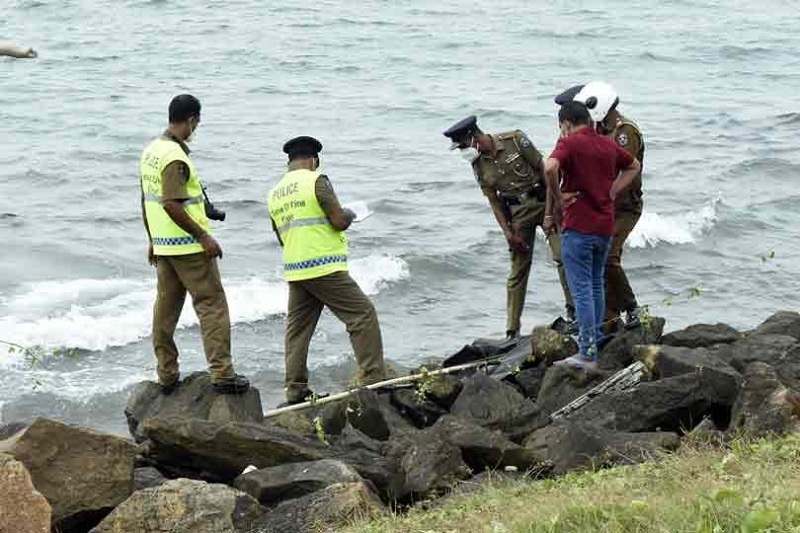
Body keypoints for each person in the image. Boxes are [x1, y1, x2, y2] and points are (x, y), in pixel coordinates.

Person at [140, 94, 250, 395]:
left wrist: (151, 239)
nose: (195, 128)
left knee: (165, 312)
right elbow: (171, 205)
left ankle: (166, 374)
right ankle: (223, 374)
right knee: (212, 306)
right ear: (191, 119)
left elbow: (145, 200)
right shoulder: (175, 158)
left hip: (164, 248)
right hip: (188, 248)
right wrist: (204, 237)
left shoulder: (151, 150)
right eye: (196, 122)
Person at [268, 136, 386, 406]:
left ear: (290, 162)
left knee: (297, 330)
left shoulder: (274, 193)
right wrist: (351, 214)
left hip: (296, 268)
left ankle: (295, 388)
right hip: (324, 265)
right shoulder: (316, 180)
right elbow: (338, 221)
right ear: (313, 160)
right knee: (362, 315)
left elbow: (280, 236)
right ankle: (373, 377)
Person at [443, 116, 573, 340]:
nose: (463, 151)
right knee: (518, 271)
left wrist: (553, 211)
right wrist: (508, 233)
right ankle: (512, 331)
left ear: (474, 138)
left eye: (463, 146)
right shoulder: (477, 164)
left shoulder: (515, 140)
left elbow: (544, 171)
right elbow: (493, 201)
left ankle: (574, 311)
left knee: (562, 256)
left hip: (543, 203)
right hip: (517, 214)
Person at [543, 101, 641, 370]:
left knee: (582, 289)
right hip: (604, 226)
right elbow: (633, 165)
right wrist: (612, 191)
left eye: (561, 127)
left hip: (579, 227)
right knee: (596, 283)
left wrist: (558, 197)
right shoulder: (607, 143)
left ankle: (587, 353)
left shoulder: (570, 142)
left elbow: (549, 167)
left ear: (565, 124)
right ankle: (595, 337)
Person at [557, 81, 646, 329]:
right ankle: (607, 318)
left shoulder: (624, 132)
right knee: (595, 264)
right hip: (600, 206)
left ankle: (631, 307)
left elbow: (622, 169)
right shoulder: (598, 130)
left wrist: (608, 192)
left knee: (608, 258)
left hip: (625, 206)